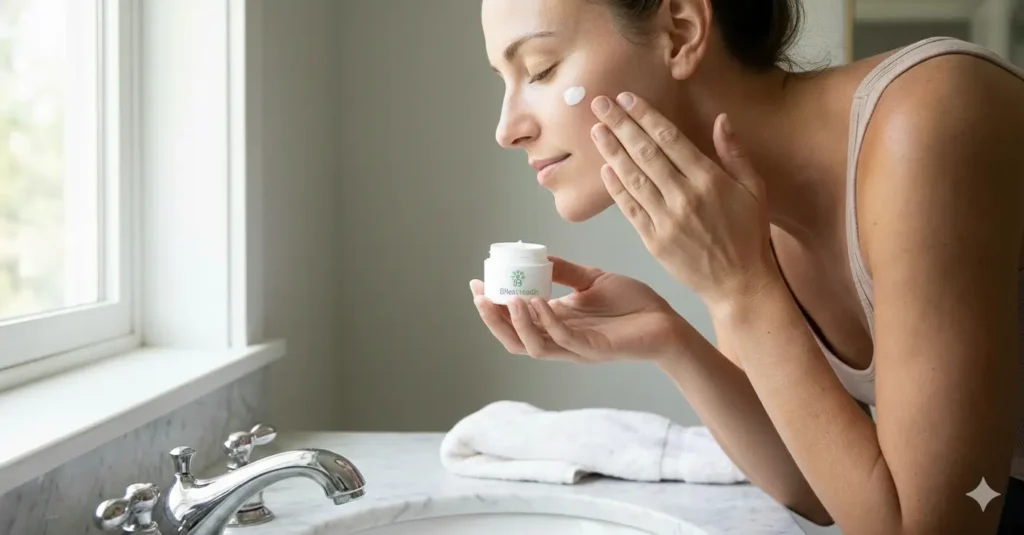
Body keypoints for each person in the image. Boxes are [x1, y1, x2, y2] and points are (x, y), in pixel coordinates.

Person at [470, 0, 1024, 534]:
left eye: (540, 70)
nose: (505, 129)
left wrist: (740, 290)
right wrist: (671, 339)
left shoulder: (932, 118)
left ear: (680, 31)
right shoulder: (747, 211)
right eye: (502, 79)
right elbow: (809, 485)